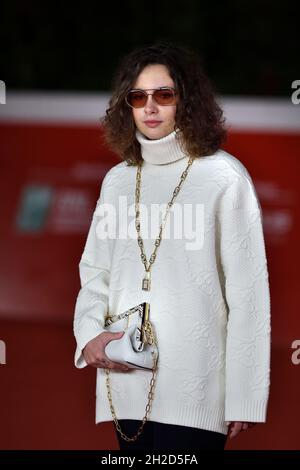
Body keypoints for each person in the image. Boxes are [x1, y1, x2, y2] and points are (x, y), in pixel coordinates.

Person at [73, 41, 271, 451]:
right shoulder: (118, 180)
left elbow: (248, 293)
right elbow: (96, 270)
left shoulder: (224, 177)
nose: (150, 107)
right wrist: (89, 335)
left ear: (187, 101)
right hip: (126, 377)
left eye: (164, 95)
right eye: (138, 96)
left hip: (197, 387)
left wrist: (245, 396)